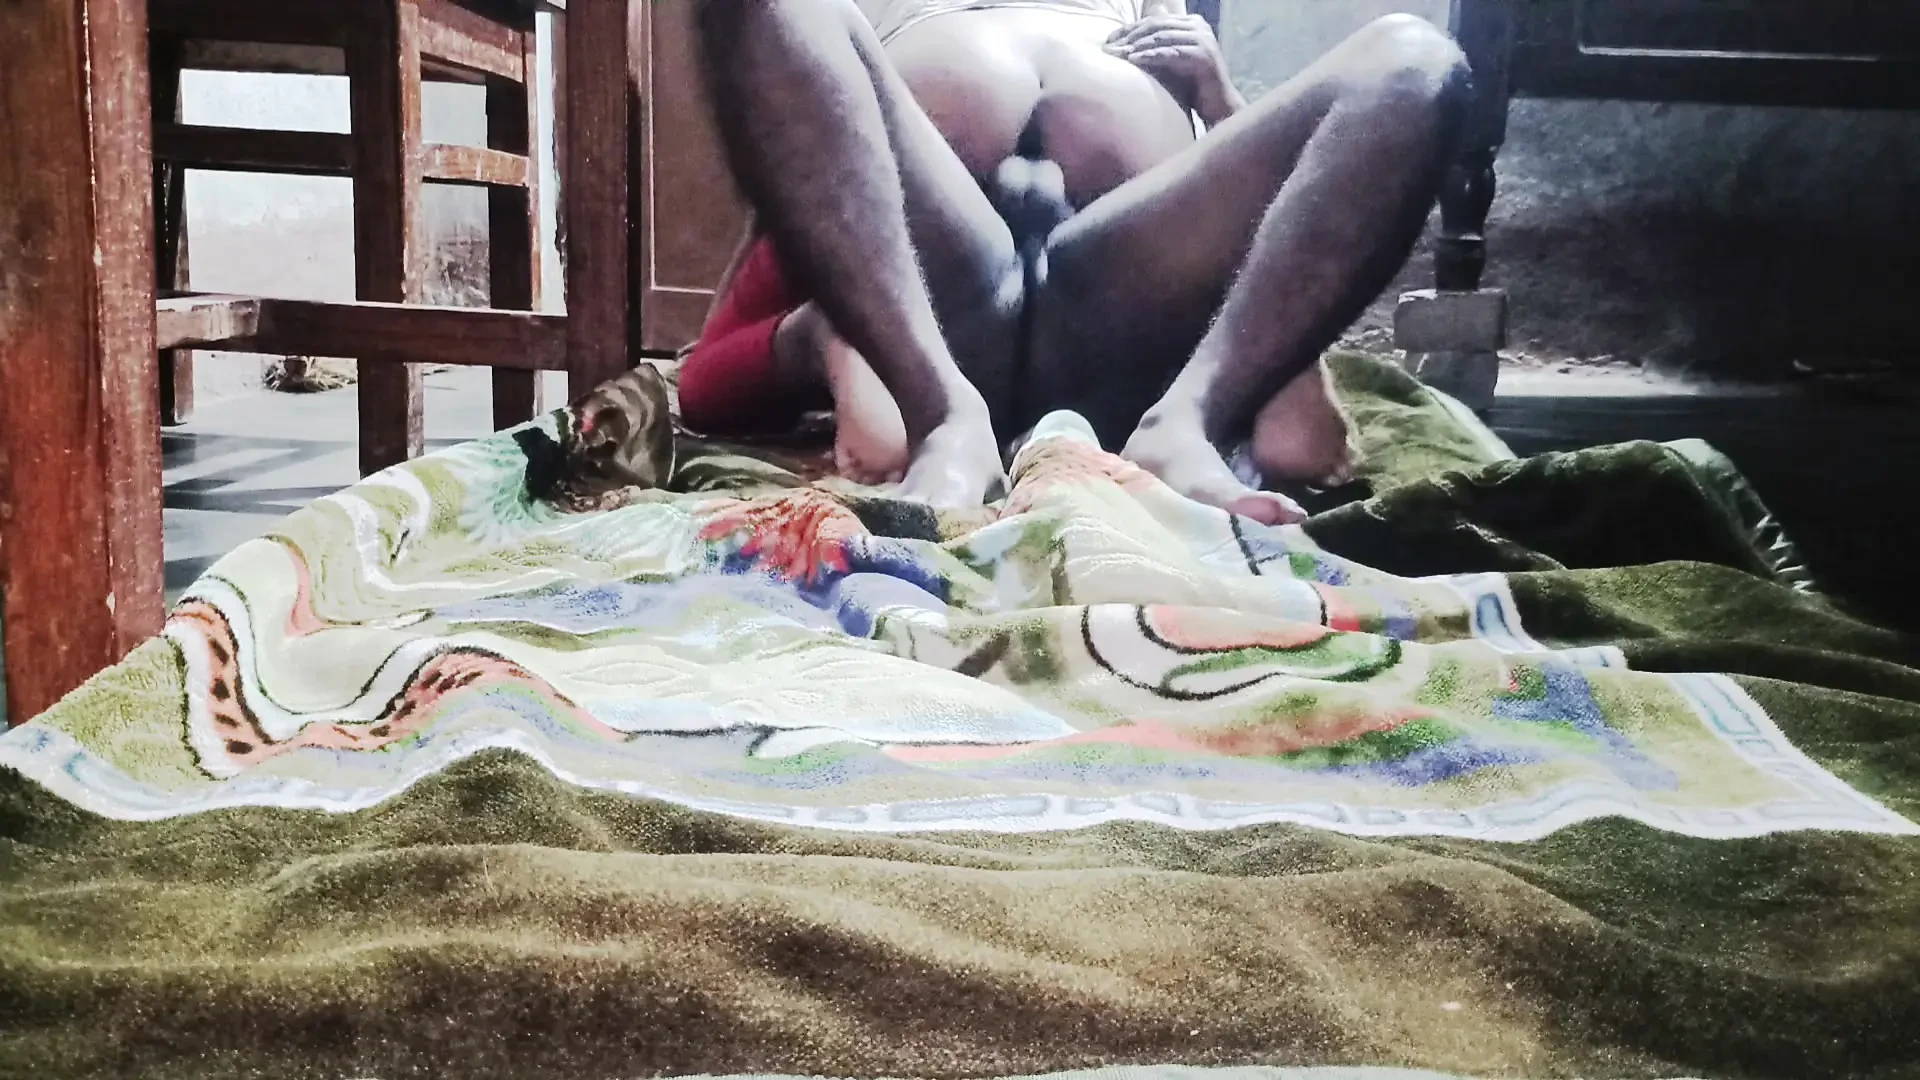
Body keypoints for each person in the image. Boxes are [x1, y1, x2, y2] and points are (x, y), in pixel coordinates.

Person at [680, 0, 1469, 523]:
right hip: (938, 303)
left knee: (1416, 61)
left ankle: (1182, 427)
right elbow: (710, 376)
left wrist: (1222, 106)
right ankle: (947, 422)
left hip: (1123, 298)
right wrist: (826, 334)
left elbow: (1304, 438)